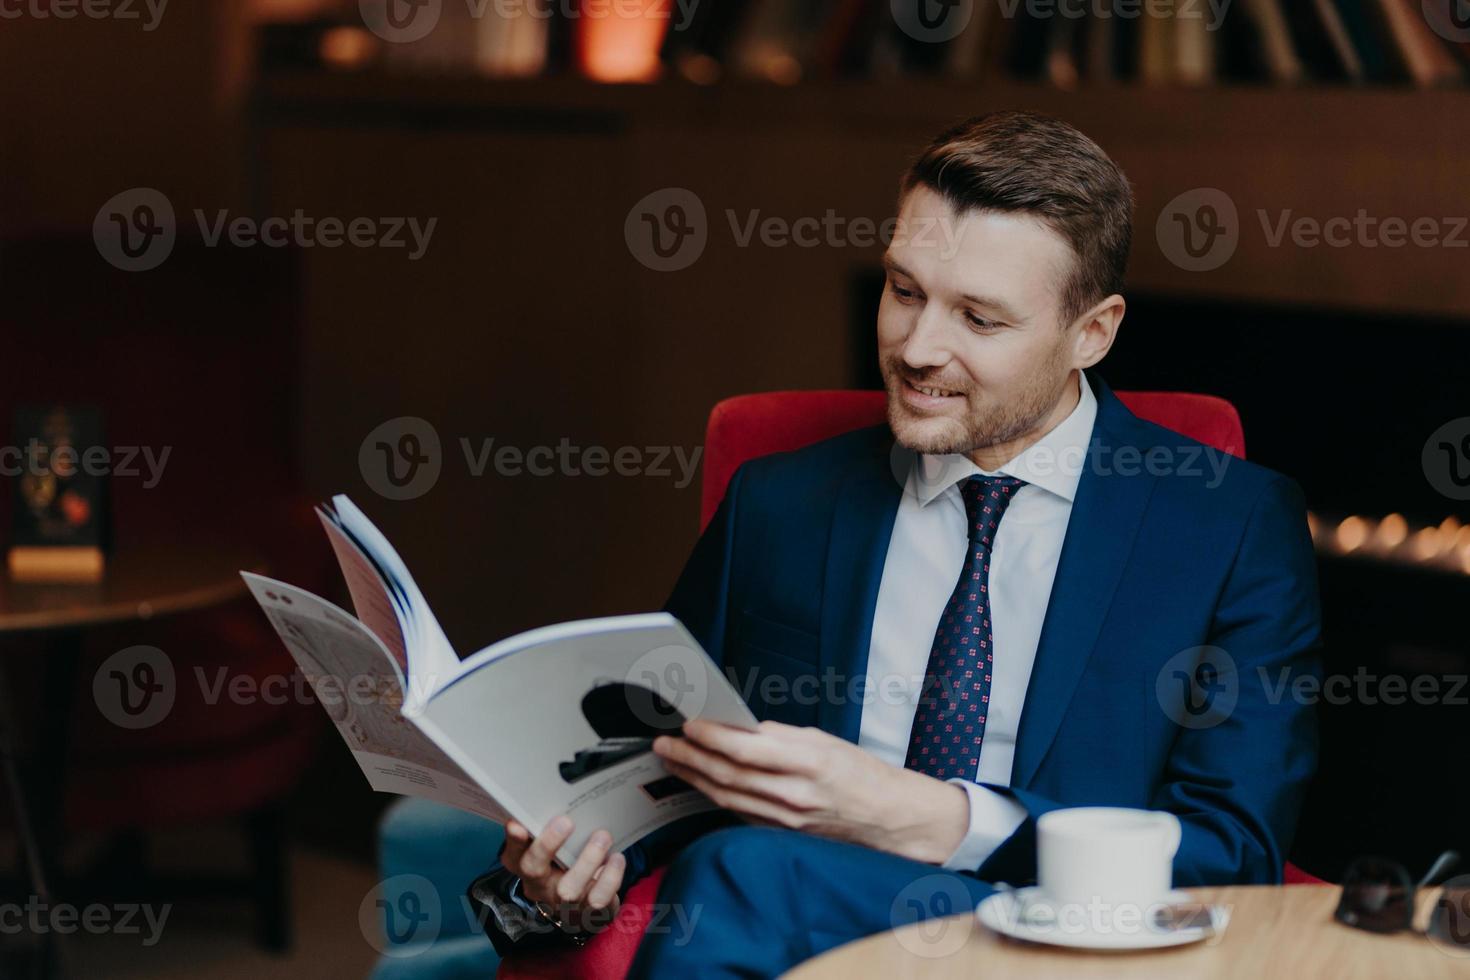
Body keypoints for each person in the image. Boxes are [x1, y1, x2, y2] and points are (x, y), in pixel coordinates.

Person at [483, 110, 1322, 978]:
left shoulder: (1230, 528)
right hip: (801, 933)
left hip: (1060, 936)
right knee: (735, 869)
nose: (918, 349)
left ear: (1093, 333)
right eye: (905, 289)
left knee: (742, 872)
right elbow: (657, 778)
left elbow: (1232, 853)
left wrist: (933, 818)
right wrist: (562, 877)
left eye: (980, 320)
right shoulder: (780, 503)